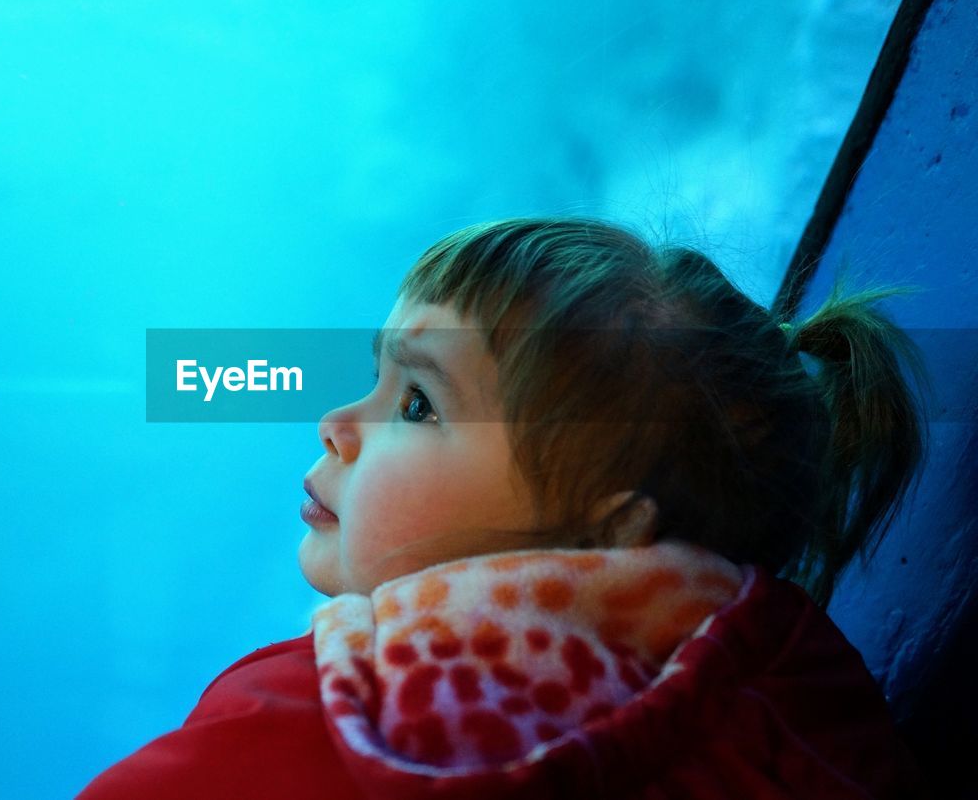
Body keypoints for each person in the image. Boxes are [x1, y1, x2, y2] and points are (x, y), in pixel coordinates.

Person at [77, 218, 929, 799]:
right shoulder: (813, 719)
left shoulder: (333, 720)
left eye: (416, 403)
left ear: (609, 532)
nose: (336, 426)